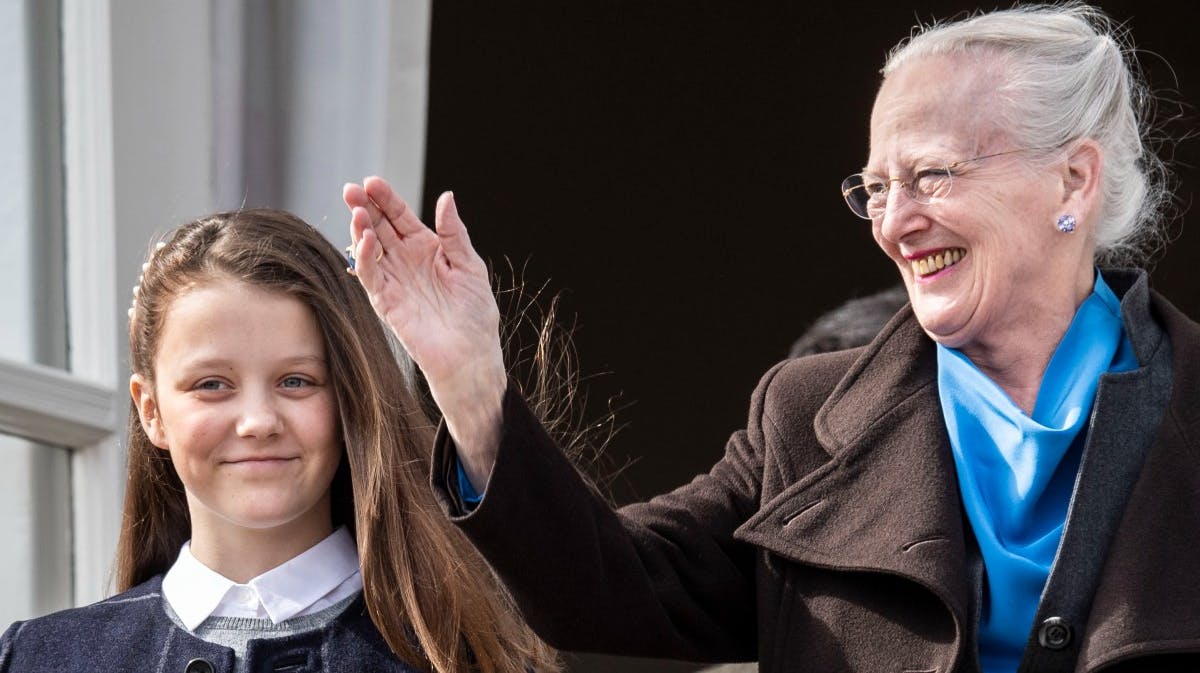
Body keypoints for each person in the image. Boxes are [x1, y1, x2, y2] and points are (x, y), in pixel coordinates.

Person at [342, 4, 1199, 672]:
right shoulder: (811, 417)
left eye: (932, 174)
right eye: (875, 187)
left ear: (1073, 179)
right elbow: (609, 589)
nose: (895, 222)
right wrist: (468, 380)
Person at [0, 210, 559, 673]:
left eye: (297, 381)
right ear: (151, 412)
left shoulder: (461, 658)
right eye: (212, 385)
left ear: (348, 399)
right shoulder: (35, 659)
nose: (258, 421)